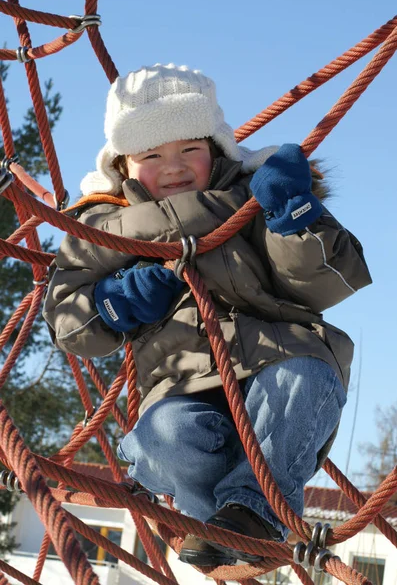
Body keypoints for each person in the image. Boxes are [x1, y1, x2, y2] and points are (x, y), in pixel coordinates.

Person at [43, 64, 372, 567]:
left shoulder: (247, 198)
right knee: (166, 437)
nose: (172, 166)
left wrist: (294, 219)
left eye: (188, 150)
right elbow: (68, 319)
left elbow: (328, 282)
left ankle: (254, 515)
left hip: (276, 356)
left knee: (304, 377)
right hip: (179, 382)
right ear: (123, 165)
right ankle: (220, 528)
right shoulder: (102, 227)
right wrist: (116, 301)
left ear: (215, 149)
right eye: (152, 155)